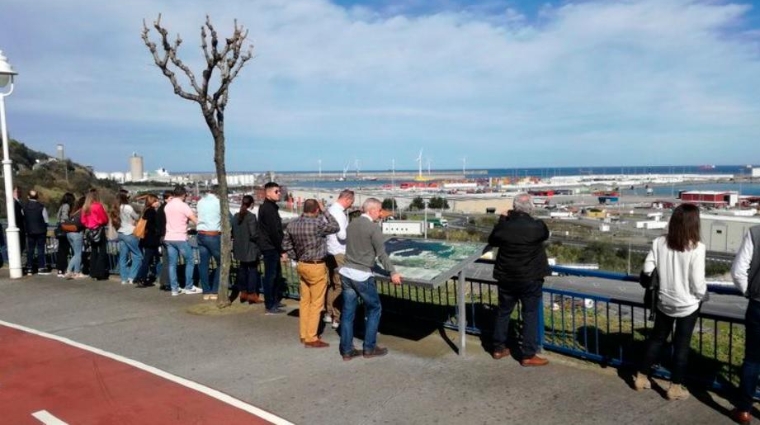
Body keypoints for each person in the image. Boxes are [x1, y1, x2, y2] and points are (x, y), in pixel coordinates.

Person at [633, 203, 706, 401]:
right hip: (687, 304)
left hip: (664, 301)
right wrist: (702, 295)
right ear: (694, 223)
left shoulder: (659, 242)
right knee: (681, 346)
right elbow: (698, 282)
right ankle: (674, 388)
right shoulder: (697, 248)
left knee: (656, 339)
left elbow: (647, 269)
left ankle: (641, 377)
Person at [488, 193, 551, 367]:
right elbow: (545, 235)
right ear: (531, 207)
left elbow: (492, 239)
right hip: (530, 278)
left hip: (506, 277)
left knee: (503, 312)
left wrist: (502, 220)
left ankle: (498, 348)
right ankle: (528, 354)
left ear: (513, 207)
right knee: (529, 314)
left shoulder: (504, 227)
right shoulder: (537, 226)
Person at [339, 198, 402, 360]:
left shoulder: (351, 224)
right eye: (379, 210)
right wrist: (393, 272)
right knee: (374, 309)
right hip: (362, 274)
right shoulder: (373, 228)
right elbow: (382, 255)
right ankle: (369, 347)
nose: (381, 214)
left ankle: (346, 351)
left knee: (347, 313)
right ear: (372, 210)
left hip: (346, 272)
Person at [282, 198, 339, 346]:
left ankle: (304, 333)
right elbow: (335, 227)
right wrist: (325, 210)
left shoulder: (292, 224)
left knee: (305, 301)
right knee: (316, 303)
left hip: (302, 264)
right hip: (316, 265)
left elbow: (286, 244)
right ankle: (311, 337)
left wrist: (297, 256)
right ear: (316, 210)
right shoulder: (318, 224)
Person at [730, 224, 760, 424]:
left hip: (758, 304)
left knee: (752, 359)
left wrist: (748, 291)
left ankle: (744, 410)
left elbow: (738, 271)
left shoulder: (755, 233)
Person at [324, 189, 354, 329]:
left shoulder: (329, 210)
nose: (351, 206)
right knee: (340, 285)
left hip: (329, 250)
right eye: (351, 203)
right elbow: (342, 235)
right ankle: (337, 315)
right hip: (339, 252)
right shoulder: (340, 214)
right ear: (347, 199)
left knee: (331, 284)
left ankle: (329, 313)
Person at [164, 186, 200, 296]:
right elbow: (195, 220)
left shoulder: (167, 206)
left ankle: (174, 288)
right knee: (190, 260)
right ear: (183, 195)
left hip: (169, 237)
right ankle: (189, 286)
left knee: (172, 264)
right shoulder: (183, 206)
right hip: (180, 237)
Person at [259, 182, 287, 313]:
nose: (279, 193)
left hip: (271, 246)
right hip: (270, 247)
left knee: (276, 275)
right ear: (268, 193)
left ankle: (275, 300)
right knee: (271, 276)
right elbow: (274, 232)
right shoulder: (268, 209)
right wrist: (282, 250)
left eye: (279, 191)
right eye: (276, 191)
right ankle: (270, 304)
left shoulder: (271, 207)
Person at [232, 195, 262, 304]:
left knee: (242, 270)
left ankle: (243, 292)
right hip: (250, 248)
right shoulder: (251, 217)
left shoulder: (235, 216)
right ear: (252, 204)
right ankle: (252, 294)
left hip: (239, 248)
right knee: (253, 270)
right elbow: (254, 234)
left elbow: (233, 232)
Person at [196, 187, 223, 298]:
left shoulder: (200, 202)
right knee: (222, 262)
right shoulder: (218, 203)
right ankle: (215, 290)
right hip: (213, 234)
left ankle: (206, 291)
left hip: (201, 234)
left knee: (203, 264)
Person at [113, 192, 143, 285]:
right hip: (129, 232)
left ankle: (124, 278)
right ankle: (132, 277)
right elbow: (137, 217)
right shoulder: (128, 207)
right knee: (137, 256)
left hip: (121, 232)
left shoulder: (116, 208)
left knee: (123, 257)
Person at [81, 189, 110, 280]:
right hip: (99, 230)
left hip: (90, 231)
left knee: (93, 251)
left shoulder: (85, 207)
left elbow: (83, 221)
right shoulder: (98, 206)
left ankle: (92, 272)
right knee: (102, 251)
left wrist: (88, 225)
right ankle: (100, 273)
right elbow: (104, 219)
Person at [134, 194, 161, 288]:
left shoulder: (146, 210)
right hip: (151, 239)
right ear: (153, 202)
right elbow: (151, 225)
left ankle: (141, 277)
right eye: (157, 200)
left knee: (149, 259)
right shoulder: (151, 212)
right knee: (148, 259)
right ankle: (140, 277)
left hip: (146, 239)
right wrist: (158, 230)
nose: (158, 202)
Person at [23, 190, 51, 275]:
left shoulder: (24, 207)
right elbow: (46, 220)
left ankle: (29, 268)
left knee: (30, 250)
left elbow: (23, 218)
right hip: (41, 231)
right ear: (37, 197)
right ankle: (41, 267)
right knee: (40, 249)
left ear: (28, 197)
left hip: (29, 231)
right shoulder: (41, 207)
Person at [64, 196, 86, 279]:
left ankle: (72, 271)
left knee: (76, 254)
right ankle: (74, 272)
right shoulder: (82, 212)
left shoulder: (74, 211)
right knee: (78, 253)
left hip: (69, 233)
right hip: (77, 233)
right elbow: (84, 222)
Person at [55, 192, 75, 277]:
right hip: (65, 230)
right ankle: (63, 269)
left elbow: (58, 217)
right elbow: (64, 218)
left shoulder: (62, 206)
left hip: (60, 230)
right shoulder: (67, 206)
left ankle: (60, 269)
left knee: (61, 250)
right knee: (64, 251)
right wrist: (71, 221)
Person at [156, 190, 173, 291]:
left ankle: (163, 281)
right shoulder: (166, 209)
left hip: (162, 236)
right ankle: (167, 282)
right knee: (169, 260)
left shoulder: (160, 209)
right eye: (171, 198)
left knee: (166, 260)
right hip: (167, 235)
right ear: (166, 199)